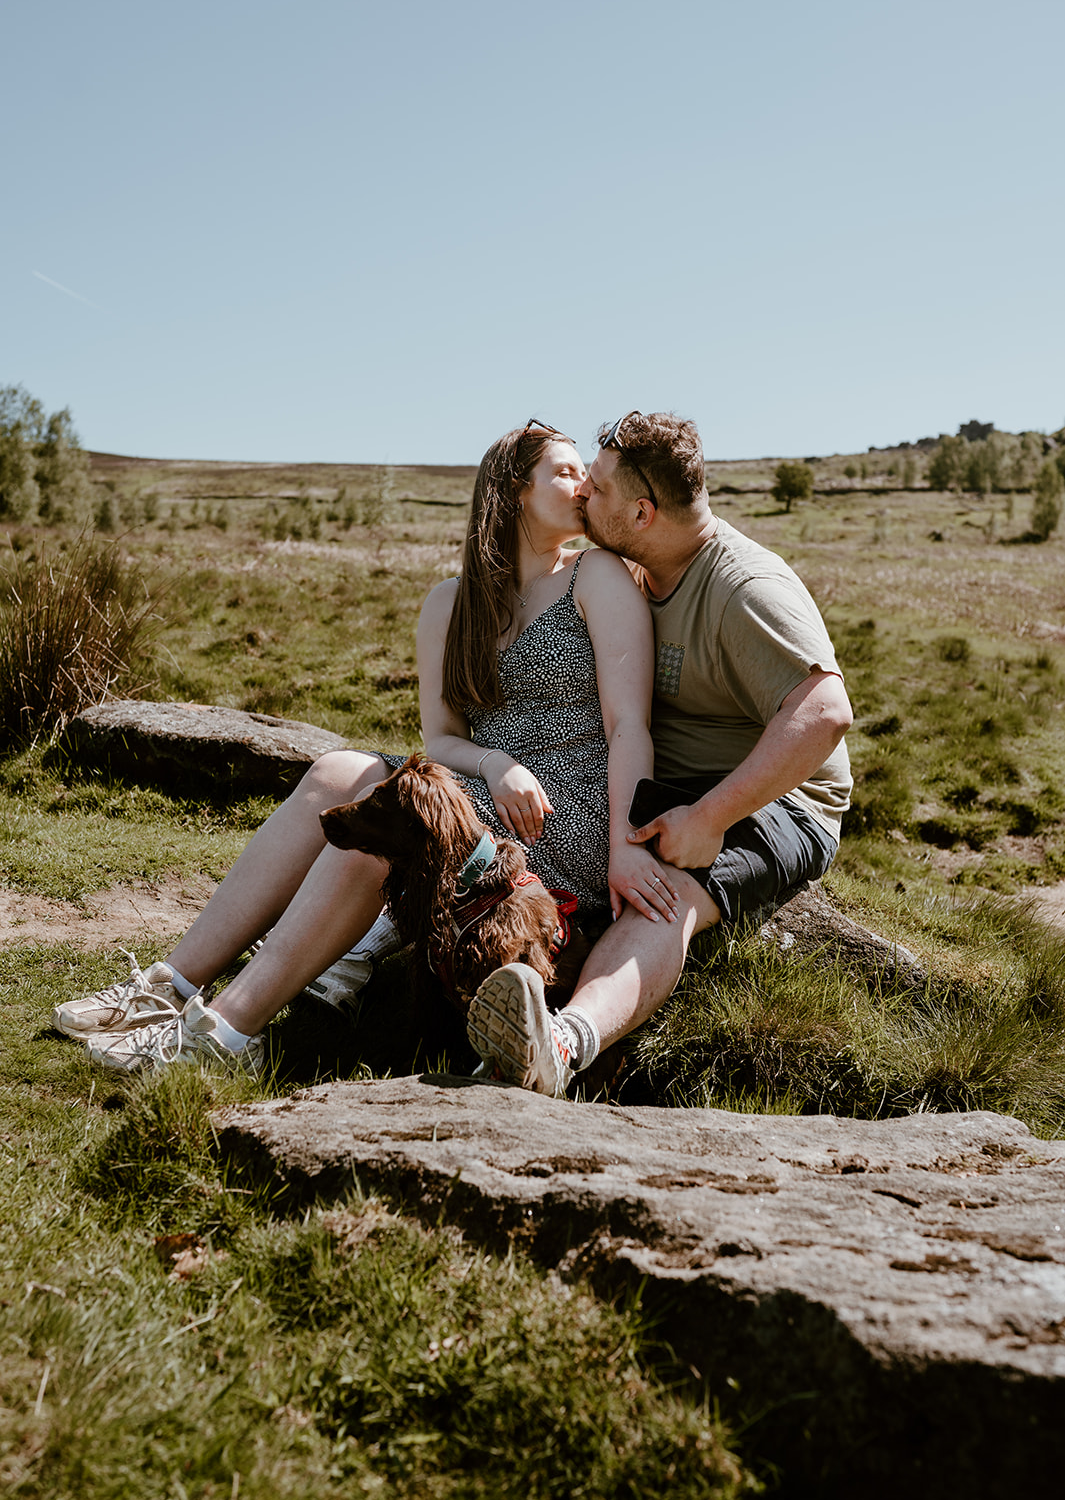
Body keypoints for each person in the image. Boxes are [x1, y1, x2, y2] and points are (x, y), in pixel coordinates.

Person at [53, 421, 671, 1079]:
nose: (585, 486)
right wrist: (496, 763)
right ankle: (166, 989)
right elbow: (442, 739)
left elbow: (627, 727)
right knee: (335, 772)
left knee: (391, 827)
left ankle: (226, 1033)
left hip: (563, 813)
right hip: (484, 788)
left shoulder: (594, 575)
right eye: (566, 472)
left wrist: (625, 847)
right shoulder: (451, 603)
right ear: (515, 488)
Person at [466, 411, 854, 1097]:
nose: (583, 491)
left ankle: (561, 1044)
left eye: (599, 486)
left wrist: (709, 817)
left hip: (779, 798)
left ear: (642, 513)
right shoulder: (640, 571)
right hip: (672, 784)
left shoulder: (743, 588)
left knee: (663, 894)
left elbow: (825, 714)